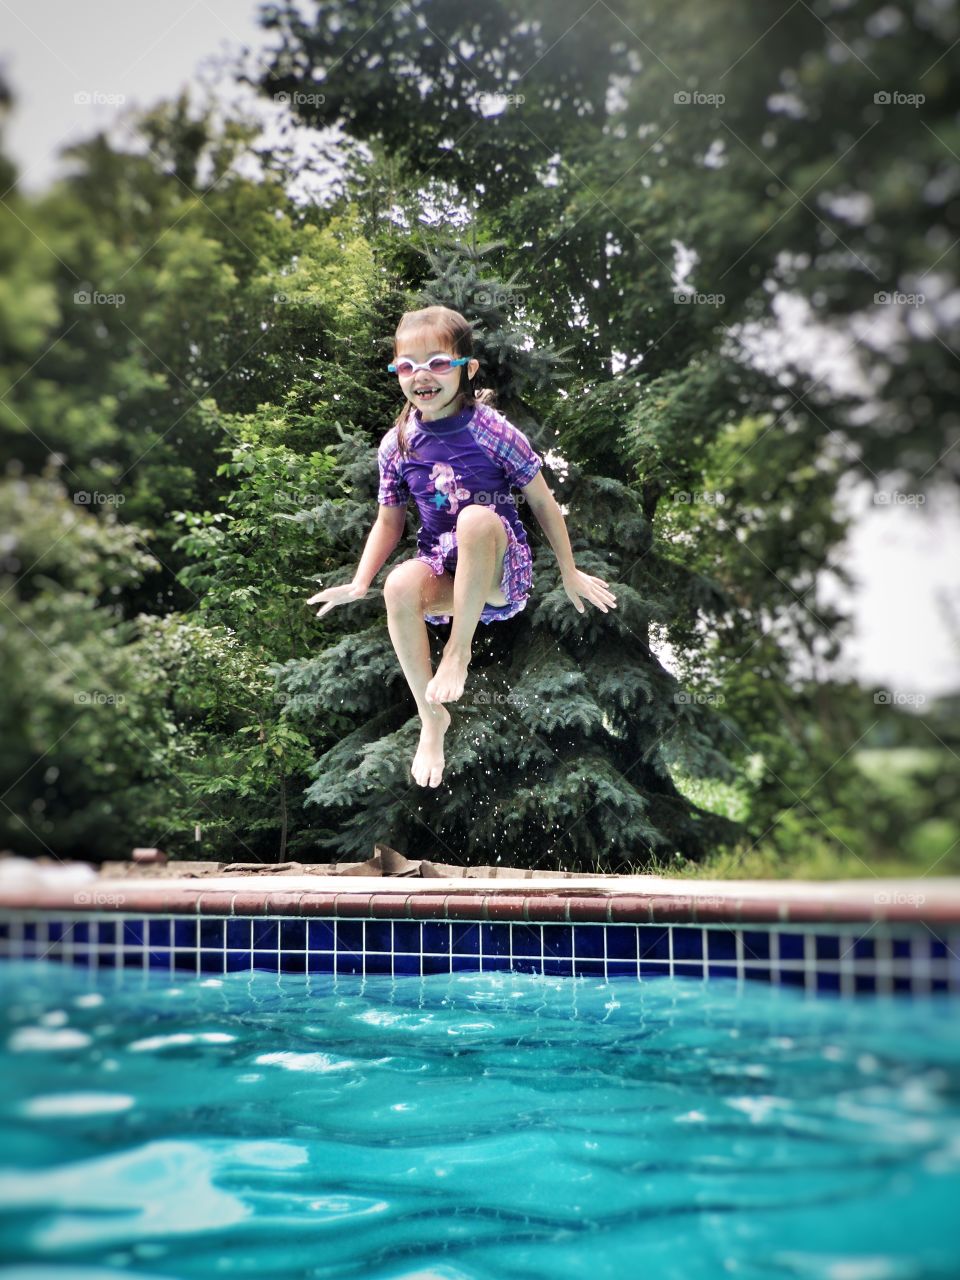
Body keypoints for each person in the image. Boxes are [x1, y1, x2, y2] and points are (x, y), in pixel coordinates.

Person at [307, 305, 617, 789]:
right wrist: (360, 581)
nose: (421, 376)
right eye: (407, 365)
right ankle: (432, 719)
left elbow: (542, 501)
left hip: (500, 571)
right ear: (397, 373)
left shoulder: (492, 431)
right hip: (446, 570)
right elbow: (389, 521)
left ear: (466, 370)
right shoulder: (398, 444)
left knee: (474, 518)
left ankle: (458, 652)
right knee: (400, 583)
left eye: (437, 362)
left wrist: (570, 571)